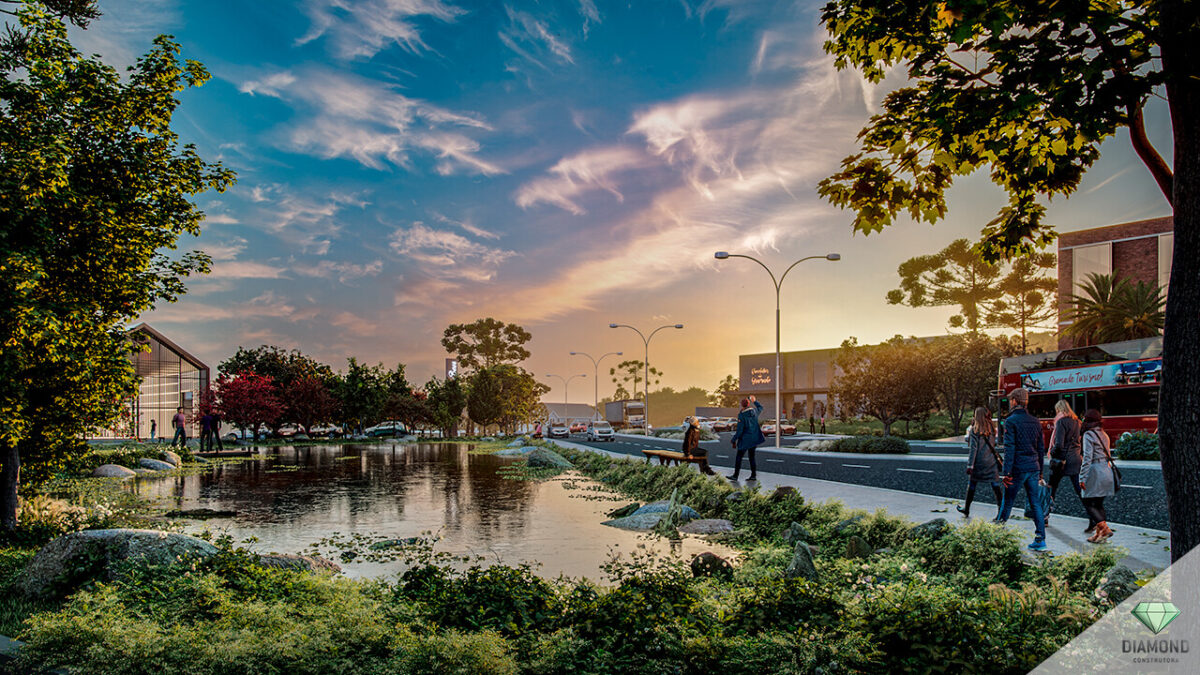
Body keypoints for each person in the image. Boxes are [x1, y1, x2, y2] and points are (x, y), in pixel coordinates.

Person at [995, 388, 1049, 552]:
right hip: (1033, 467)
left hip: (1017, 468)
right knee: (1035, 503)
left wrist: (1006, 472)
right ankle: (1040, 539)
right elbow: (1041, 448)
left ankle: (996, 535)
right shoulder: (1035, 421)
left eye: (1010, 400)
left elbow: (1009, 448)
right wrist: (1040, 471)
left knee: (1007, 502)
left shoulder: (1011, 421)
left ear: (1014, 401)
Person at [957, 406, 1003, 519]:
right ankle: (1001, 512)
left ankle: (966, 509)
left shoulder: (975, 430)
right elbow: (994, 444)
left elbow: (973, 449)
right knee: (995, 486)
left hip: (979, 463)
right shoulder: (992, 428)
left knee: (972, 485)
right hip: (991, 462)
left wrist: (970, 465)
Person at [1079, 409, 1116, 542]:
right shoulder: (1104, 434)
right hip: (1106, 470)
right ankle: (1099, 535)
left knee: (1087, 501)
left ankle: (1104, 528)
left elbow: (1087, 458)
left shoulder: (1088, 435)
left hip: (1094, 470)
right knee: (1099, 503)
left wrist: (1082, 477)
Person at [1046, 399, 1084, 526]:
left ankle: (1045, 516)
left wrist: (1052, 453)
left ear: (1059, 409)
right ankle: (1094, 517)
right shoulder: (1078, 422)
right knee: (1079, 489)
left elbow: (1059, 444)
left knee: (1051, 488)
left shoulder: (1061, 422)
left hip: (1061, 461)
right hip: (1075, 459)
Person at [728, 395, 765, 481]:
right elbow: (760, 407)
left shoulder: (742, 415)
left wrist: (733, 440)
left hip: (745, 440)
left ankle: (735, 476)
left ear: (742, 405)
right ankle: (753, 475)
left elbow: (740, 430)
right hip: (754, 439)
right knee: (752, 457)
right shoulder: (755, 411)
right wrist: (754, 401)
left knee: (739, 457)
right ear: (749, 404)